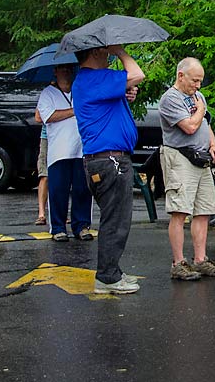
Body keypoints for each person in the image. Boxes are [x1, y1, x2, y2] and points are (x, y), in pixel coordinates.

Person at [73, 45, 144, 295]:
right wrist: (123, 52)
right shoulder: (95, 77)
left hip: (102, 160)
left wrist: (125, 94)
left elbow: (113, 102)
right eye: (105, 51)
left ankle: (110, 270)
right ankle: (108, 276)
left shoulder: (88, 81)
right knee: (116, 220)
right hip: (110, 160)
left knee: (113, 218)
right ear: (94, 53)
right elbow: (137, 74)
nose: (109, 55)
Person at [159, 57, 215, 281]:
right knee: (180, 211)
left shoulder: (198, 97)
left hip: (201, 158)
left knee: (204, 210)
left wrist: (213, 145)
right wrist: (201, 110)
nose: (198, 86)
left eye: (200, 82)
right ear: (181, 76)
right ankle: (178, 263)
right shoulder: (170, 99)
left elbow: (205, 125)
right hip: (180, 157)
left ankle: (200, 259)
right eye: (195, 81)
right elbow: (189, 126)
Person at [37, 64, 93, 242]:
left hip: (81, 150)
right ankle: (58, 228)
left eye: (70, 69)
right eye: (63, 69)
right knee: (58, 191)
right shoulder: (48, 93)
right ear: (55, 71)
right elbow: (48, 116)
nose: (67, 72)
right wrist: (74, 111)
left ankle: (81, 226)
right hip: (58, 151)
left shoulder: (81, 90)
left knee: (83, 190)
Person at [34, 119, 48, 225]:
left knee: (62, 177)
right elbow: (38, 117)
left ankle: (62, 213)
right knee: (44, 176)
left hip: (65, 137)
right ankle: (41, 213)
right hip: (47, 137)